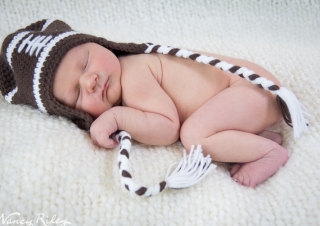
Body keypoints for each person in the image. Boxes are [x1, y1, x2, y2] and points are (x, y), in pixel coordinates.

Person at [0, 19, 308, 188]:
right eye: (78, 94)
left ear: (96, 42)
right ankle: (256, 138)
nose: (90, 80)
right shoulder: (126, 76)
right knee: (203, 127)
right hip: (248, 95)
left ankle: (270, 152)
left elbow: (166, 128)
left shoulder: (134, 72)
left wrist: (118, 117)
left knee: (193, 136)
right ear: (75, 114)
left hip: (251, 89)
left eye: (85, 62)